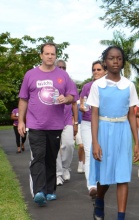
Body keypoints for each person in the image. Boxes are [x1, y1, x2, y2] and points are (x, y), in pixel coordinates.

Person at [17, 42, 78, 206]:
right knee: (38, 157)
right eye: (47, 53)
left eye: (53, 54)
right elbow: (23, 98)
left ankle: (50, 190)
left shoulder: (63, 76)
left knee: (51, 158)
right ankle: (39, 191)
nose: (50, 56)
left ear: (56, 55)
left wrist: (66, 99)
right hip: (35, 123)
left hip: (55, 124)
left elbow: (73, 95)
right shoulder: (30, 75)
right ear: (41, 55)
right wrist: (21, 121)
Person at [87, 46, 139, 220]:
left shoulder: (129, 85)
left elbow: (132, 114)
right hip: (103, 130)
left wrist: (137, 142)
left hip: (123, 131)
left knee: (123, 176)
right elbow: (94, 114)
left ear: (122, 61)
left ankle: (121, 217)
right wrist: (95, 142)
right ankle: (100, 199)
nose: (115, 61)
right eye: (111, 58)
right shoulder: (98, 85)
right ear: (105, 62)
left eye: (118, 58)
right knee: (105, 176)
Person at [79, 60, 107, 199]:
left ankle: (101, 181)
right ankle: (92, 186)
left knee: (102, 153)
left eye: (99, 69)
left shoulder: (109, 86)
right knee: (89, 152)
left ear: (105, 71)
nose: (96, 72)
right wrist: (82, 107)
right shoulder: (87, 86)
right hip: (87, 123)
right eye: (94, 70)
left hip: (104, 123)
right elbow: (82, 103)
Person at [55, 60, 79, 186]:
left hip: (67, 120)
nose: (61, 69)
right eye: (59, 67)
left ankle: (65, 168)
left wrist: (75, 122)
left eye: (63, 67)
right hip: (53, 120)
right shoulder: (51, 81)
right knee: (56, 148)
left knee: (69, 144)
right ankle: (58, 174)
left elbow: (74, 102)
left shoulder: (70, 83)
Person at [75, 99, 85, 174]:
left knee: (86, 147)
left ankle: (84, 164)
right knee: (81, 146)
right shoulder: (77, 103)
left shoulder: (92, 101)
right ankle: (80, 161)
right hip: (79, 125)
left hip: (88, 125)